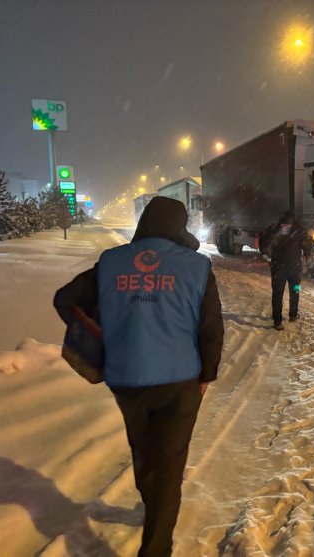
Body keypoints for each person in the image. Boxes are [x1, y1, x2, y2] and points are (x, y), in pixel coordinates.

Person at [53, 196, 224, 557]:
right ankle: (156, 546)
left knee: (144, 451)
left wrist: (98, 333)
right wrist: (207, 373)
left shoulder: (112, 262)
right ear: (180, 225)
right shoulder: (196, 267)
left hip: (127, 377)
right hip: (179, 381)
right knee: (169, 464)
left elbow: (65, 299)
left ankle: (153, 507)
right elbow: (210, 328)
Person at [259, 210, 314, 331]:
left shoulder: (274, 229)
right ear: (293, 220)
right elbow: (307, 246)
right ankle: (293, 315)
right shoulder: (298, 230)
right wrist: (310, 244)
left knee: (277, 294)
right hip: (294, 268)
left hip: (278, 268)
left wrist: (268, 259)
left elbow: (263, 245)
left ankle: (277, 321)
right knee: (295, 290)